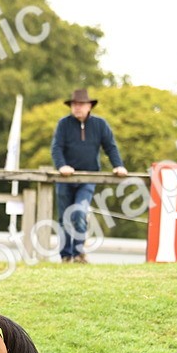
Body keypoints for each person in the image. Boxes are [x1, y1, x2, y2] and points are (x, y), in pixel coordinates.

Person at [50, 88, 127, 263]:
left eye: (81, 104)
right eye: (74, 104)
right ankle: (66, 255)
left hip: (89, 178)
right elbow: (56, 148)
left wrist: (118, 166)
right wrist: (62, 166)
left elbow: (110, 146)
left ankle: (78, 253)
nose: (77, 107)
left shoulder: (100, 125)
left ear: (89, 106)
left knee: (79, 212)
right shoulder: (63, 124)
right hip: (65, 178)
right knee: (64, 217)